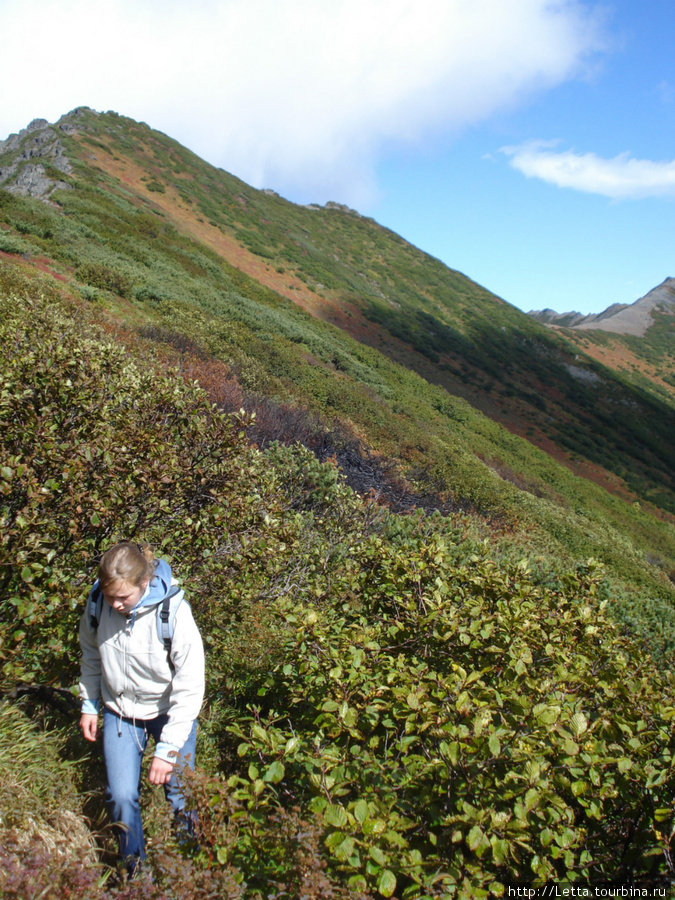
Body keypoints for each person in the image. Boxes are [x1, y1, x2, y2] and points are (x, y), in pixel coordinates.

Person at [79, 541, 205, 875]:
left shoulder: (174, 613)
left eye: (124, 597)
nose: (116, 605)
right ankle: (135, 873)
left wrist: (167, 748)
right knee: (120, 797)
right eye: (110, 597)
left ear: (144, 584)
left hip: (169, 714)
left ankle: (190, 873)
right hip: (120, 713)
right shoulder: (97, 605)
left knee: (181, 795)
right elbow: (91, 655)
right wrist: (90, 704)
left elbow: (190, 685)